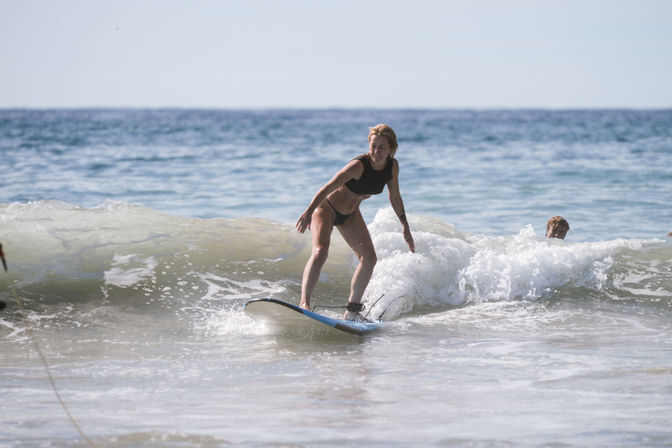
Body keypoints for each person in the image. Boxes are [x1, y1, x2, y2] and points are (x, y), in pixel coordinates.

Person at [296, 124, 415, 322]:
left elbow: (395, 196)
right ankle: (304, 303)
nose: (376, 151)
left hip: (350, 214)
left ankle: (352, 311)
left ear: (391, 149)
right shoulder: (358, 166)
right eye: (373, 146)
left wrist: (405, 227)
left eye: (382, 148)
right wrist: (309, 212)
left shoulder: (392, 167)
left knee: (369, 258)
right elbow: (326, 188)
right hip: (326, 209)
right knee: (320, 251)